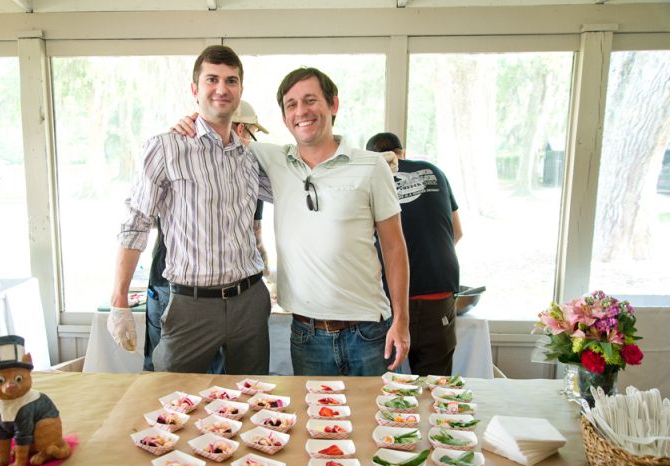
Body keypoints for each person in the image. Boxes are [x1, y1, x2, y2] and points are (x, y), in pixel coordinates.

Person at [175, 67, 411, 376]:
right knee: (315, 424)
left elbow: (395, 248)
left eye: (310, 100)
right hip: (307, 335)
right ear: (286, 118)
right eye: (291, 105)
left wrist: (401, 321)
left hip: (368, 333)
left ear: (333, 105)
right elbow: (219, 137)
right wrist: (189, 122)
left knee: (376, 423)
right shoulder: (272, 160)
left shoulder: (371, 165)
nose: (301, 111)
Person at [107, 45, 272, 375]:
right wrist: (119, 300)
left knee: (252, 403)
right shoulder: (166, 147)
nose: (222, 89)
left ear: (240, 90)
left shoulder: (251, 157)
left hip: (249, 301)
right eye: (212, 79)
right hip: (190, 305)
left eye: (231, 80)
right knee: (170, 403)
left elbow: (303, 184)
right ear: (195, 89)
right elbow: (136, 222)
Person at [141, 101, 271, 373]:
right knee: (174, 388)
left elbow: (252, 233)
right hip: (177, 290)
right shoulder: (175, 150)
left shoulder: (247, 168)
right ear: (238, 127)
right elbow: (142, 215)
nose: (250, 140)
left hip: (241, 297)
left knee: (232, 394)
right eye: (250, 132)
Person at [366, 132, 463, 376]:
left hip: (390, 297)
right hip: (437, 291)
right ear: (403, 153)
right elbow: (457, 232)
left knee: (386, 388)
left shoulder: (369, 177)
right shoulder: (433, 172)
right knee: (435, 388)